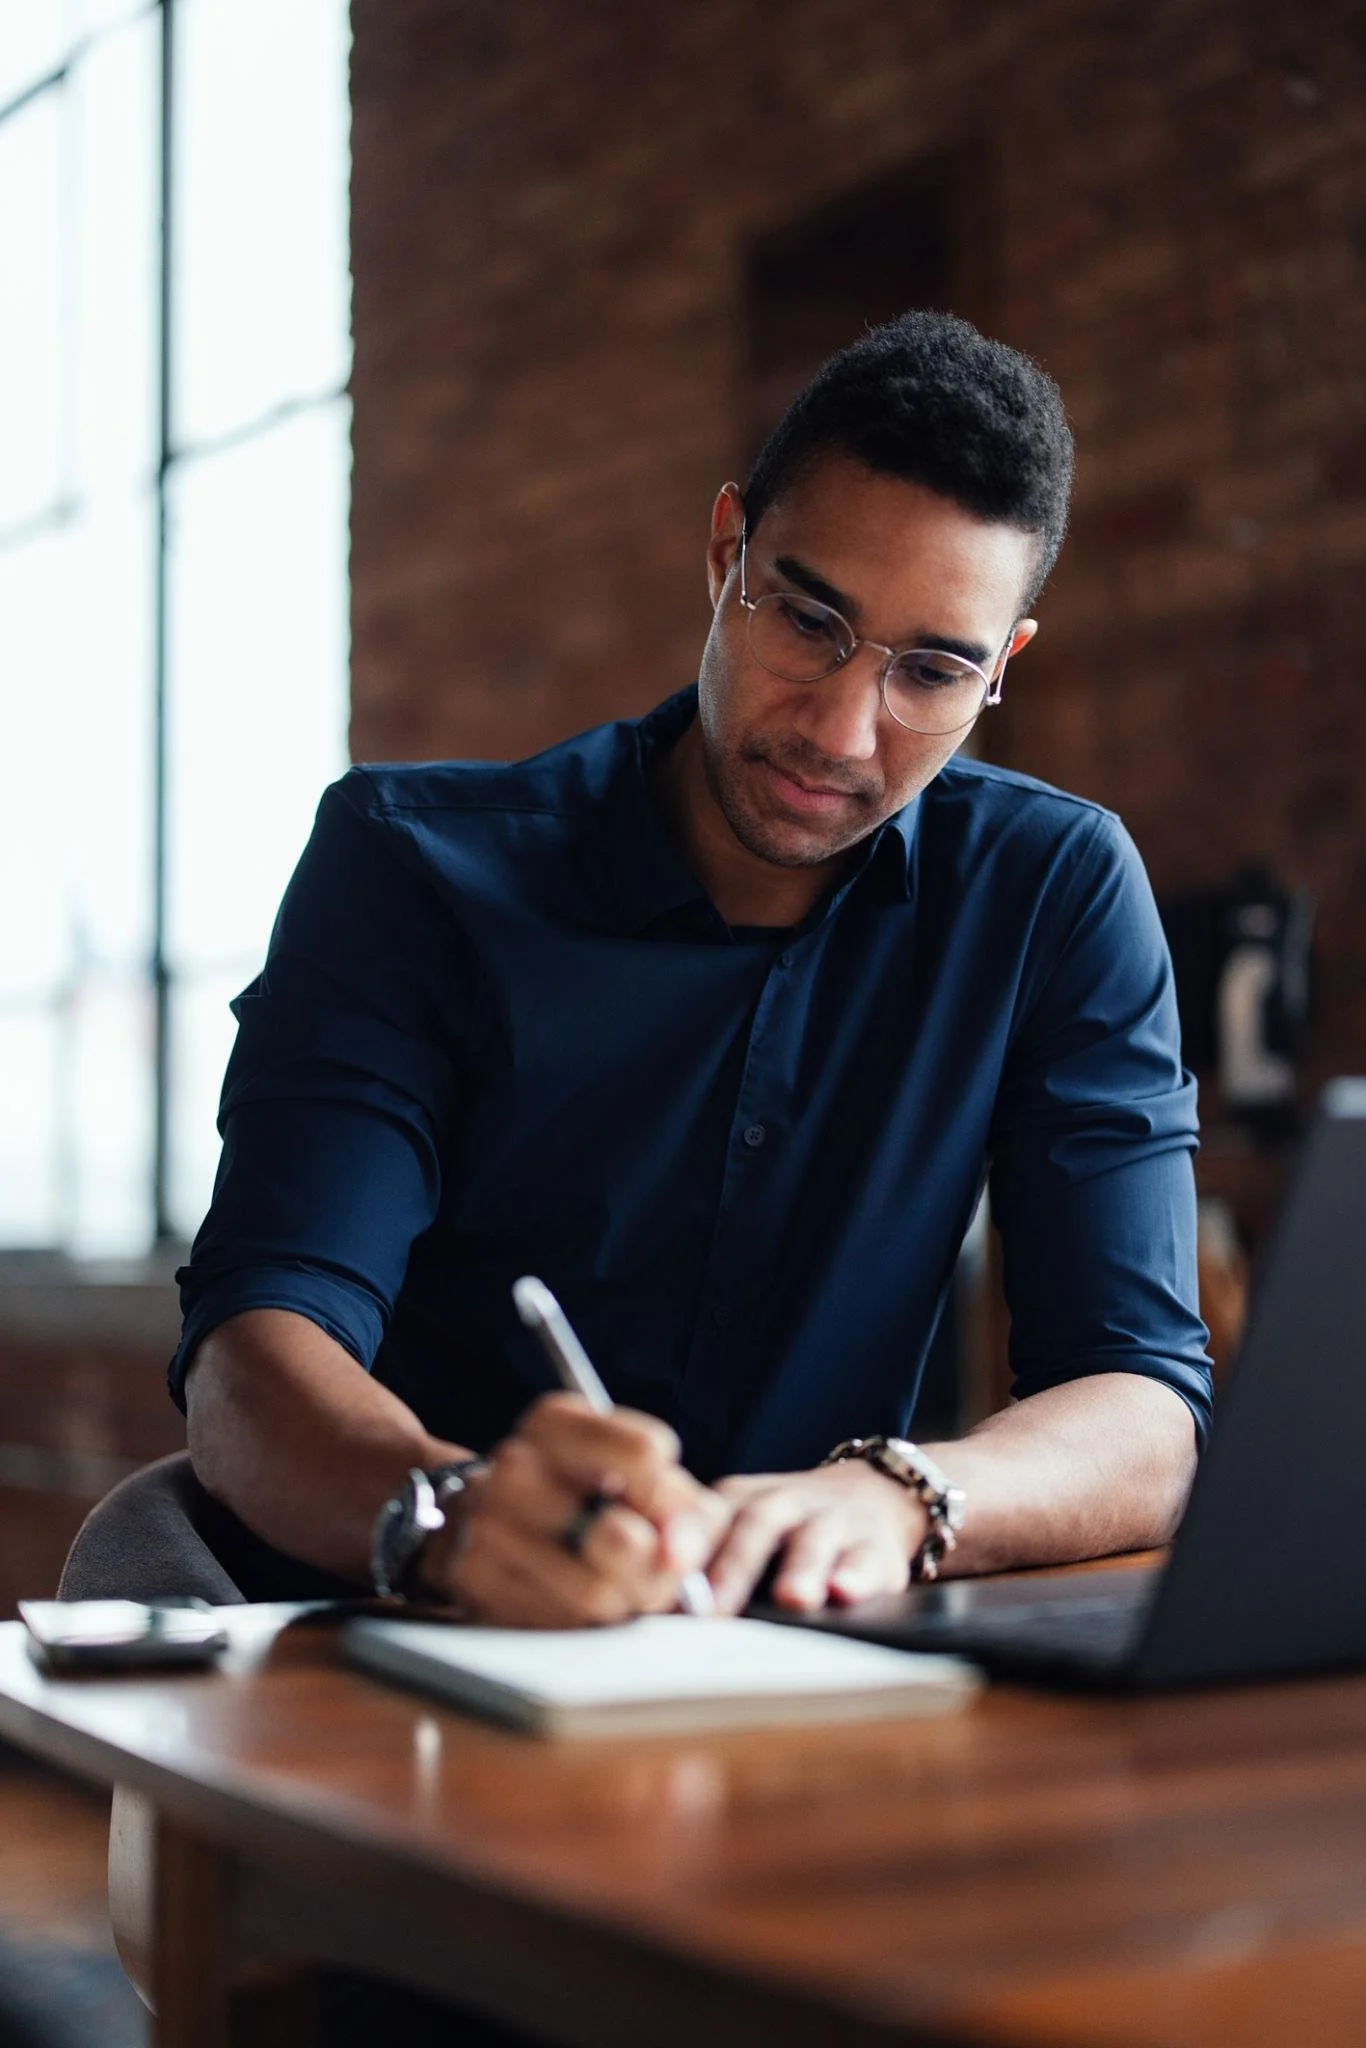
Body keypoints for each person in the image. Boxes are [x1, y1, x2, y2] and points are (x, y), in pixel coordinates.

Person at [175, 310, 1212, 1626]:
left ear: (999, 668)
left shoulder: (1049, 893)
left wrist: (900, 1495)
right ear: (727, 550)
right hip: (407, 1655)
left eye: (931, 672)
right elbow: (254, 1357)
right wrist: (448, 1513)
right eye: (808, 619)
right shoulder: (406, 871)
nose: (842, 728)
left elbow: (1142, 1408)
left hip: (795, 1677)